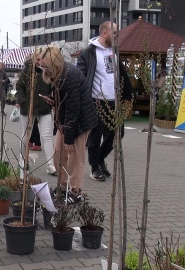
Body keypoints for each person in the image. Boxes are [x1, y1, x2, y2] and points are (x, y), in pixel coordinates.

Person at [40, 46, 98, 202]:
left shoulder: (69, 75)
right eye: (42, 66)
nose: (44, 69)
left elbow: (73, 108)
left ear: (54, 63)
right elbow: (65, 103)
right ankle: (62, 187)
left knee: (75, 158)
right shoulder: (58, 74)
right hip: (66, 121)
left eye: (46, 66)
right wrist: (54, 102)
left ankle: (75, 192)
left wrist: (69, 138)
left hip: (81, 121)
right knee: (58, 153)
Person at [77, 21, 133, 182]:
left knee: (118, 133)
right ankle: (94, 168)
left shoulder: (114, 52)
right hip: (97, 100)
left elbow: (120, 74)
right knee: (95, 136)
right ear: (105, 34)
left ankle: (99, 159)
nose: (117, 36)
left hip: (114, 101)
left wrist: (126, 93)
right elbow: (82, 77)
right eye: (115, 32)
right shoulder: (88, 53)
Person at [16, 52, 57, 177]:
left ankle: (51, 164)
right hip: (28, 108)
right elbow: (19, 87)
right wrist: (22, 101)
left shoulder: (47, 71)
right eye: (38, 59)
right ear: (32, 60)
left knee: (47, 136)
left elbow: (52, 87)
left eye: (41, 59)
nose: (40, 62)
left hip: (44, 108)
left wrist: (51, 99)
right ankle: (23, 161)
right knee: (26, 136)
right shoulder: (26, 72)